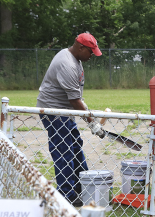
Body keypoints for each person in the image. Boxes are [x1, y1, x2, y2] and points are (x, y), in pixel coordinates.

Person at [36, 32, 104, 207]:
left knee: (74, 146)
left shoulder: (76, 60)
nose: (92, 56)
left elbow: (76, 97)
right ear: (81, 47)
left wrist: (89, 115)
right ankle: (67, 194)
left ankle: (83, 185)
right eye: (90, 52)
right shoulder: (67, 64)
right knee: (63, 151)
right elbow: (74, 100)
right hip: (54, 113)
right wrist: (92, 124)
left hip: (64, 111)